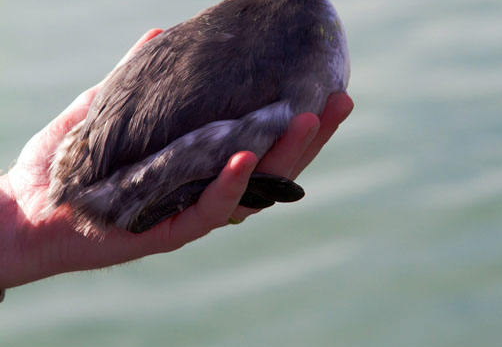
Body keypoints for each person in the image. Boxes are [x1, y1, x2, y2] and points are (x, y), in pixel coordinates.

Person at [0, 29, 354, 295]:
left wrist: (22, 230)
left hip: (61, 184)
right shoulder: (290, 37)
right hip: (97, 195)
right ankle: (189, 194)